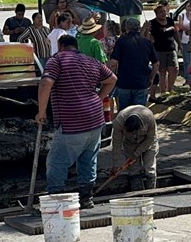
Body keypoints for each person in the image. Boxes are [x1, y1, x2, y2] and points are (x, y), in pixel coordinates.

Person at [35, 35, 117, 209]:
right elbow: (112, 79)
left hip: (72, 120)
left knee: (57, 161)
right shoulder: (91, 61)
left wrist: (41, 111)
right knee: (88, 159)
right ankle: (86, 198)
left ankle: (56, 201)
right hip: (95, 119)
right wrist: (98, 97)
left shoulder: (57, 60)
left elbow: (46, 83)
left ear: (60, 46)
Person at [110, 18, 159, 110]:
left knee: (125, 113)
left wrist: (111, 77)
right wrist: (151, 78)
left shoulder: (121, 41)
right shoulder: (147, 42)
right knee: (139, 113)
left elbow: (113, 63)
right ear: (139, 27)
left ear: (126, 27)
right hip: (141, 83)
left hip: (124, 83)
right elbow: (156, 64)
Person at [111, 105, 159, 191]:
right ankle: (137, 192)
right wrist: (116, 165)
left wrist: (137, 153)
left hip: (147, 141)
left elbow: (150, 138)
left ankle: (151, 191)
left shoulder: (149, 118)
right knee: (134, 169)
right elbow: (116, 144)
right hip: (130, 143)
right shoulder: (118, 123)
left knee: (149, 167)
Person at [147, 4, 181, 95]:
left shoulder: (170, 21)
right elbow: (148, 35)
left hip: (171, 48)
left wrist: (179, 43)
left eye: (164, 11)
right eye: (160, 12)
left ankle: (170, 88)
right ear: (156, 13)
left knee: (175, 69)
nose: (163, 13)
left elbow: (176, 33)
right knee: (162, 71)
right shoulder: (152, 23)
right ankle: (163, 90)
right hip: (159, 50)